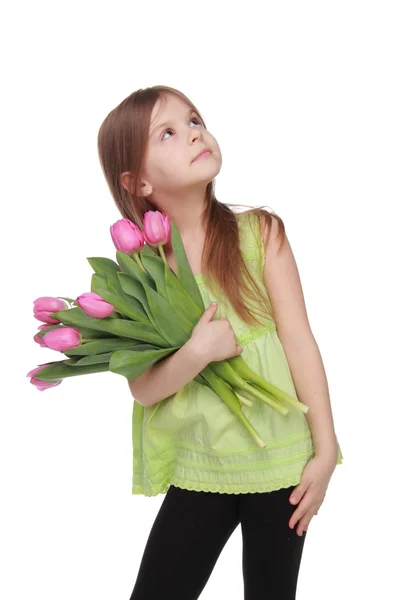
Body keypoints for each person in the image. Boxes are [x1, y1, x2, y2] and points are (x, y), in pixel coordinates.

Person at [97, 85, 344, 600]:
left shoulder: (260, 234)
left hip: (282, 464)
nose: (193, 134)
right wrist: (196, 352)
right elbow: (143, 390)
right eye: (168, 132)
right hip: (202, 465)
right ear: (137, 181)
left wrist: (325, 450)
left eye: (194, 120)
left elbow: (300, 342)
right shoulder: (141, 271)